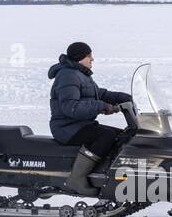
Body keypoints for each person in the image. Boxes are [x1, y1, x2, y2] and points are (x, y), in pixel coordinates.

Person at [48, 42, 132, 195]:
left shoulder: (80, 74)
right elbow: (71, 107)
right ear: (80, 57)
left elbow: (98, 94)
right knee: (106, 136)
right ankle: (77, 178)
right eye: (89, 56)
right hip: (67, 127)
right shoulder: (67, 75)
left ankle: (105, 176)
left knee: (122, 135)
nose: (92, 59)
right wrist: (101, 106)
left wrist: (125, 98)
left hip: (80, 124)